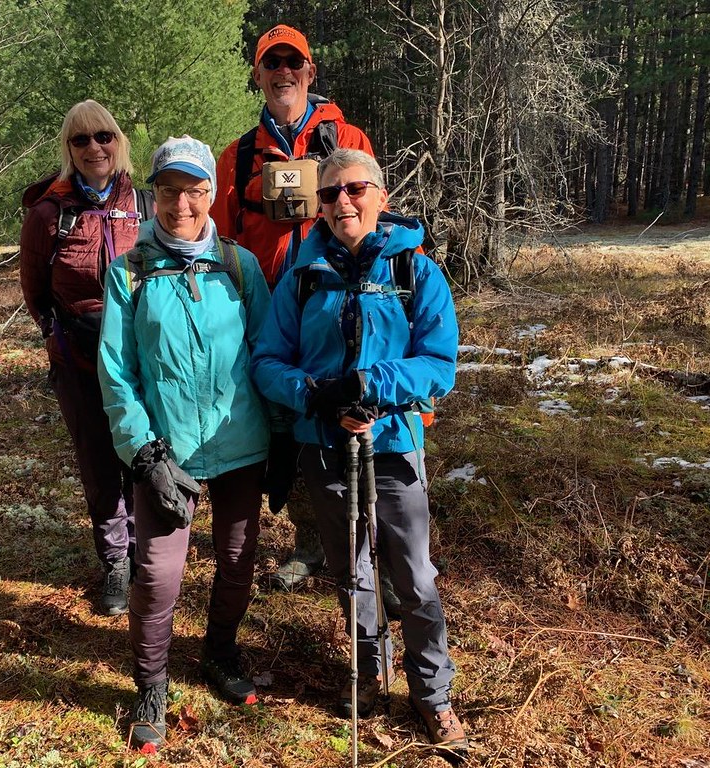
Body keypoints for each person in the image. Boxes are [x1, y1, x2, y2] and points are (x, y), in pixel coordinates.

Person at [251, 149, 468, 755]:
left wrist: (373, 387)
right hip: (325, 446)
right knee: (353, 573)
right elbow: (268, 361)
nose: (341, 202)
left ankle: (434, 694)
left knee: (415, 577)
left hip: (394, 446)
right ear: (317, 204)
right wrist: (317, 396)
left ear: (380, 195)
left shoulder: (415, 271)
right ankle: (370, 670)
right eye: (329, 194)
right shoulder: (302, 270)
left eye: (353, 190)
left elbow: (439, 364)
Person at [97, 135, 271, 754]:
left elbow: (267, 356)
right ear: (155, 195)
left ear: (211, 195)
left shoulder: (240, 266)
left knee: (236, 562)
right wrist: (144, 451)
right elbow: (117, 373)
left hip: (241, 448)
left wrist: (279, 444)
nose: (182, 205)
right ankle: (151, 685)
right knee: (158, 575)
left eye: (195, 191)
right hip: (166, 454)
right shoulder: (131, 272)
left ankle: (219, 651)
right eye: (169, 192)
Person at [210, 23, 390, 602]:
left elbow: (373, 218)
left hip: (335, 306)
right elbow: (220, 241)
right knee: (280, 426)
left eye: (295, 62)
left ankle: (347, 547)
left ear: (310, 72)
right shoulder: (236, 157)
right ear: (257, 76)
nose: (283, 72)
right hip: (266, 312)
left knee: (338, 419)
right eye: (272, 64)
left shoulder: (346, 136)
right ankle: (294, 537)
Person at [19, 100, 150, 616]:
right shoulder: (49, 212)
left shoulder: (143, 202)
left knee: (141, 453)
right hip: (79, 357)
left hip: (141, 358)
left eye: (103, 137)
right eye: (81, 140)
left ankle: (146, 551)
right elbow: (35, 290)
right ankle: (115, 561)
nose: (95, 147)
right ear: (68, 150)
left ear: (118, 142)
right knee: (98, 461)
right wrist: (57, 337)